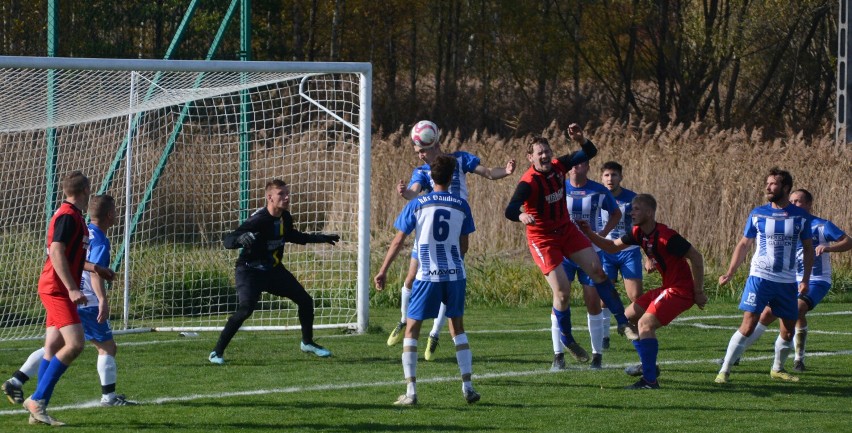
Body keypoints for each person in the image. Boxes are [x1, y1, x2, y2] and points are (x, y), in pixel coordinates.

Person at [504, 124, 635, 372]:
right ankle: (567, 340)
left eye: (546, 151)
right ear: (530, 157)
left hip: (566, 230)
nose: (544, 156)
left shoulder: (558, 166)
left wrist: (580, 138)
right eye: (538, 153)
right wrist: (521, 216)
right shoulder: (528, 182)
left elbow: (590, 151)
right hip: (543, 239)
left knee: (598, 270)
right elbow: (510, 209)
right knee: (562, 292)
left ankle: (622, 321)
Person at [387, 120, 516, 362]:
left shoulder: (459, 160)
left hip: (455, 229)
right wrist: (407, 194)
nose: (421, 156)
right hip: (430, 231)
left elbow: (488, 172)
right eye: (418, 152)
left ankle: (434, 334)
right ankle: (404, 320)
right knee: (411, 277)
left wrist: (506, 173)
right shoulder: (422, 171)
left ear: (434, 144)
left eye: (422, 151)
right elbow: (415, 191)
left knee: (449, 276)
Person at [3, 195, 137, 408]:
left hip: (69, 295)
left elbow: (77, 260)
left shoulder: (84, 230)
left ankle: (17, 380)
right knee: (107, 347)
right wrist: (102, 299)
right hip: (86, 299)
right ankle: (108, 398)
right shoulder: (100, 239)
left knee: (55, 345)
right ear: (110, 215)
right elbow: (94, 273)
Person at [374, 154, 480, 405]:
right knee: (458, 329)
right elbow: (464, 244)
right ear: (453, 177)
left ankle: (411, 393)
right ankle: (468, 386)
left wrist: (383, 269)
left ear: (431, 177)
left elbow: (399, 240)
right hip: (455, 275)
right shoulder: (461, 205)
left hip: (426, 276)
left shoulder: (418, 203)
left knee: (412, 329)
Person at [578, 194, 706, 389]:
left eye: (636, 209)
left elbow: (696, 257)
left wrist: (698, 291)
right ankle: (649, 367)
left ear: (649, 212)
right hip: (667, 288)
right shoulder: (638, 232)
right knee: (626, 318)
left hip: (680, 290)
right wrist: (589, 233)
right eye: (632, 208)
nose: (631, 212)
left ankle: (649, 380)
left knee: (645, 324)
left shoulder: (666, 236)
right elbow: (612, 247)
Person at [21, 171, 116, 426]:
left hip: (58, 287)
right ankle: (37, 399)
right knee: (75, 344)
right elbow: (56, 251)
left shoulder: (76, 217)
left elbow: (72, 255)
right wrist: (73, 288)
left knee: (52, 346)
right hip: (56, 288)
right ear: (85, 189)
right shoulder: (67, 216)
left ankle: (37, 410)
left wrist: (96, 269)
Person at [209, 179, 340, 364]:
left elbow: (292, 236)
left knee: (305, 301)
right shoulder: (259, 219)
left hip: (273, 271)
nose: (287, 198)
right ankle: (217, 352)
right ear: (269, 197)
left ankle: (307, 342)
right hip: (250, 271)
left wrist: (321, 238)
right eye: (282, 194)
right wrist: (240, 240)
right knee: (246, 309)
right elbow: (228, 240)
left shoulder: (284, 217)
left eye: (287, 194)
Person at [720, 189, 851, 372]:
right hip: (789, 280)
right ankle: (736, 355)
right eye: (792, 201)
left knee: (797, 310)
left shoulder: (821, 225)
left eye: (798, 201)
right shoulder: (786, 222)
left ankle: (795, 359)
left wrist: (828, 248)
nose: (794, 204)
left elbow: (848, 241)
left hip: (816, 280)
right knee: (765, 316)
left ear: (809, 204)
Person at [715, 168, 814, 384]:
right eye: (767, 183)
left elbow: (808, 249)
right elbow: (744, 244)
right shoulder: (758, 213)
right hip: (760, 277)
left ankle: (777, 369)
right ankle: (724, 371)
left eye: (773, 184)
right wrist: (730, 272)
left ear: (785, 188)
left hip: (787, 281)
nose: (768, 187)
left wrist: (804, 279)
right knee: (749, 324)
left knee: (788, 331)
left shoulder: (801, 217)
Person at [561, 160, 623, 369]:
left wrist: (601, 235)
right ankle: (558, 355)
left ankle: (597, 355)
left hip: (590, 252)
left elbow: (616, 213)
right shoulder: (558, 188)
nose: (577, 167)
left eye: (582, 163)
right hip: (563, 252)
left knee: (592, 301)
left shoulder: (597, 189)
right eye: (574, 164)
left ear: (588, 167)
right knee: (561, 297)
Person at [599, 161, 645, 348]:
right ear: (601, 178)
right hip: (606, 251)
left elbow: (643, 227)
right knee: (604, 298)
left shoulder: (633, 199)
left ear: (621, 177)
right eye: (607, 175)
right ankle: (603, 337)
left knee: (636, 297)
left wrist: (649, 255)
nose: (610, 179)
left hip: (629, 252)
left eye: (614, 175)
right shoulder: (597, 198)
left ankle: (638, 331)